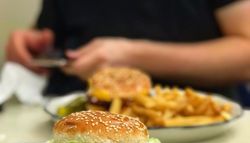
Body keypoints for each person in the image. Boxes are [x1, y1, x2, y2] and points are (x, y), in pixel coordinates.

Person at [5, 0, 250, 104]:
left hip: (200, 131)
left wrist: (132, 56)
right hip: (72, 117)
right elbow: (49, 38)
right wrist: (31, 46)